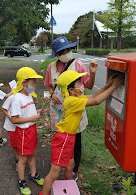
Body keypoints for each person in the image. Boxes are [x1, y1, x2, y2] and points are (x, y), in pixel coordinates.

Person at [40, 70, 123, 195]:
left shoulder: (74, 97)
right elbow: (96, 101)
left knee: (70, 166)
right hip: (63, 139)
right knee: (54, 173)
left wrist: (108, 85)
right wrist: (115, 86)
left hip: (70, 138)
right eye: (78, 83)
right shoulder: (72, 101)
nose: (82, 85)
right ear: (70, 89)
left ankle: (68, 189)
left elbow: (94, 96)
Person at [44, 36, 98, 180]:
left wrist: (92, 73)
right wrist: (51, 94)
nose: (66, 53)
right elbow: (49, 84)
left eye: (68, 49)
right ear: (56, 54)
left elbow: (89, 86)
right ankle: (60, 161)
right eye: (62, 51)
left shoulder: (78, 65)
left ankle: (73, 168)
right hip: (57, 109)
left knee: (76, 138)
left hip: (75, 108)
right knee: (61, 137)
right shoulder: (52, 67)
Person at [10, 67, 44, 195]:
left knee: (32, 154)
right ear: (24, 83)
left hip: (32, 130)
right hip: (23, 132)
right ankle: (21, 181)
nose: (34, 85)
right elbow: (14, 120)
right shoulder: (17, 98)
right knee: (23, 158)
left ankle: (33, 174)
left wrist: (37, 113)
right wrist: (32, 118)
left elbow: (27, 112)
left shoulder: (28, 95)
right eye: (33, 82)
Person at [2, 93, 19, 169]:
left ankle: (23, 158)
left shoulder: (28, 96)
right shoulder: (12, 97)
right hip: (12, 127)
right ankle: (17, 159)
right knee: (14, 144)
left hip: (22, 126)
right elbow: (3, 108)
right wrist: (11, 118)